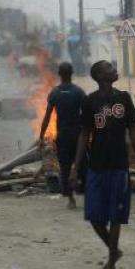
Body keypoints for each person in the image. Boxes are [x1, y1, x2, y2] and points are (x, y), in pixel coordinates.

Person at [71, 60, 135, 269]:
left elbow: (133, 132)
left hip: (118, 166)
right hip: (96, 166)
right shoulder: (89, 102)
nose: (115, 70)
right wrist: (76, 168)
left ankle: (111, 262)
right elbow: (84, 134)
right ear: (100, 76)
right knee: (95, 217)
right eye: (110, 68)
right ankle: (114, 250)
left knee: (115, 216)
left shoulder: (124, 98)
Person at [39, 62, 86, 209]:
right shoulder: (79, 92)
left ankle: (71, 199)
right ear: (71, 73)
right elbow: (87, 114)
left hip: (63, 135)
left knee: (64, 167)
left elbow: (47, 117)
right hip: (78, 135)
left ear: (59, 74)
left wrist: (41, 136)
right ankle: (85, 193)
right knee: (83, 165)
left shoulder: (55, 93)